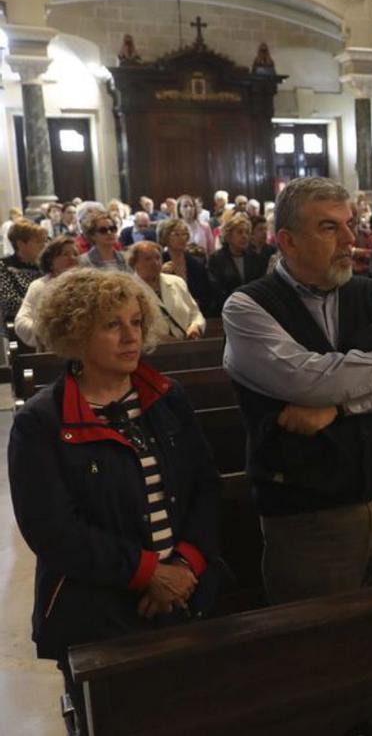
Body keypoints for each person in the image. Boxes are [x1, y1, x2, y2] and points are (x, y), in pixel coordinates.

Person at [9, 268, 220, 735]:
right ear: (76, 334)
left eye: (136, 322)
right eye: (111, 325)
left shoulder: (165, 397)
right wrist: (148, 574)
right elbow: (53, 531)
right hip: (99, 614)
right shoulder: (42, 423)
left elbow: (205, 486)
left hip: (186, 597)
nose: (131, 337)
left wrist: (185, 566)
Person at [222, 176, 372, 607]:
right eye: (329, 227)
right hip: (310, 513)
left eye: (351, 223)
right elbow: (307, 379)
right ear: (287, 240)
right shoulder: (247, 307)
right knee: (319, 653)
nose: (349, 238)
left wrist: (340, 408)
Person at [128, 241, 205, 340]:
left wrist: (195, 326)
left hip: (185, 345)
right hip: (152, 350)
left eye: (158, 258)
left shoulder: (177, 282)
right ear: (134, 263)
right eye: (148, 259)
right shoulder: (129, 289)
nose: (155, 263)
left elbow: (195, 313)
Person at [15, 236, 79, 349]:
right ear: (50, 261)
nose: (72, 258)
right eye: (65, 254)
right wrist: (47, 333)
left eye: (75, 254)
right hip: (52, 351)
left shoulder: (88, 285)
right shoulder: (39, 286)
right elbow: (21, 322)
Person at [207, 213, 268, 311]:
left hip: (252, 308)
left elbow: (259, 285)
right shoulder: (216, 259)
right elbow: (216, 289)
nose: (244, 236)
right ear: (229, 236)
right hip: (225, 309)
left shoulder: (255, 258)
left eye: (247, 232)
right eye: (239, 232)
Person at [159, 218, 215, 316]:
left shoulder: (196, 264)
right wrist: (160, 275)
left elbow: (207, 294)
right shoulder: (158, 261)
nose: (182, 238)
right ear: (165, 237)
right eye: (176, 234)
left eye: (184, 234)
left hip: (194, 314)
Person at [0, 218, 47, 323]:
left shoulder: (47, 265)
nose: (44, 245)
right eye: (38, 241)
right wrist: (48, 307)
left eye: (45, 241)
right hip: (19, 325)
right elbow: (9, 303)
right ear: (21, 244)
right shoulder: (4, 266)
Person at [77, 204, 133, 273]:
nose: (109, 233)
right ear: (92, 235)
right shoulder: (83, 261)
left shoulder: (126, 258)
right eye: (103, 230)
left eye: (112, 229)